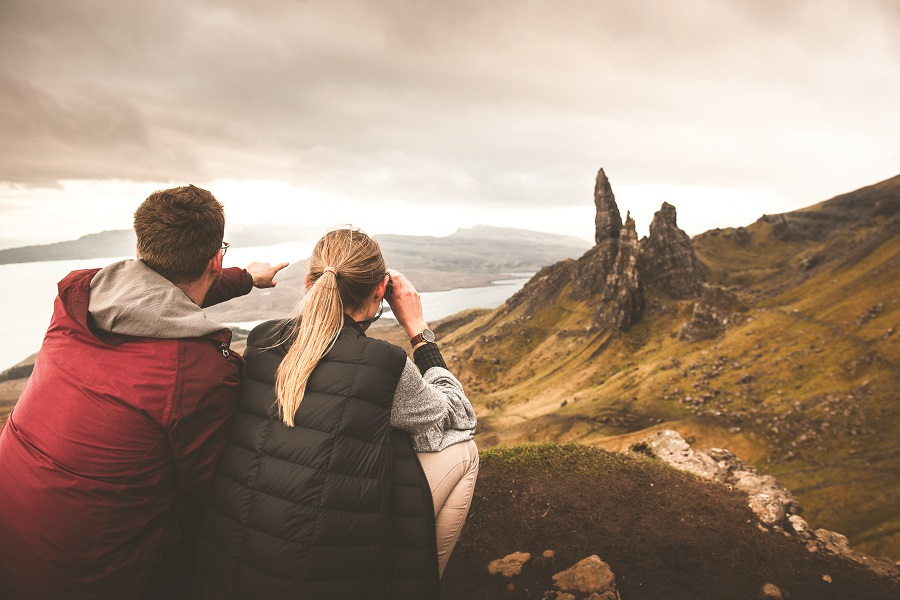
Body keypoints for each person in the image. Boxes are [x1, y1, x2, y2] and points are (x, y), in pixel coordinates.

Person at [0, 185, 289, 600]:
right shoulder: (194, 370)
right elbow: (214, 487)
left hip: (13, 537)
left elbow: (156, 291)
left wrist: (244, 279)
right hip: (81, 579)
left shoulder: (76, 299)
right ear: (216, 257)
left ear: (140, 247)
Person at [192, 227, 478, 599]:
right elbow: (459, 414)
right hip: (317, 581)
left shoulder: (264, 339)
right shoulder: (383, 365)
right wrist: (418, 330)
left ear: (309, 283)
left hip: (221, 571)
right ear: (380, 290)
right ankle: (425, 576)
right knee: (464, 453)